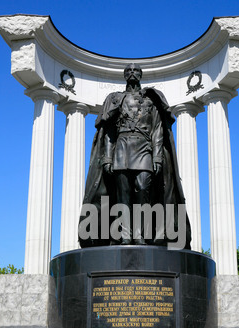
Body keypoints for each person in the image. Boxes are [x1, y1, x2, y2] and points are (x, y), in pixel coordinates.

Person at [78, 63, 191, 249]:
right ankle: (125, 236)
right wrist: (107, 156)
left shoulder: (151, 101)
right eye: (129, 71)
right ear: (124, 76)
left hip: (144, 148)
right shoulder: (115, 99)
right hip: (121, 149)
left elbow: (157, 130)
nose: (132, 73)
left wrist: (156, 156)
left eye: (136, 71)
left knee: (142, 190)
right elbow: (108, 132)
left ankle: (140, 234)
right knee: (123, 195)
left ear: (141, 75)